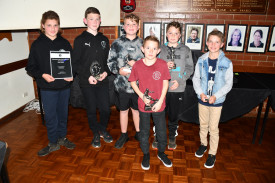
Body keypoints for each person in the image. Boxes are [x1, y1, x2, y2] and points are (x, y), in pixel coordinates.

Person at [26, 10, 75, 156]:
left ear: (59, 26)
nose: (53, 29)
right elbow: (30, 67)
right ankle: (53, 142)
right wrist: (42, 75)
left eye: (55, 25)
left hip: (64, 87)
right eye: (49, 25)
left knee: (63, 114)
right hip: (47, 88)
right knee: (51, 116)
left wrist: (72, 74)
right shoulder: (37, 45)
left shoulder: (64, 43)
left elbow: (72, 64)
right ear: (43, 26)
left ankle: (62, 138)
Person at [129, 36, 172, 170]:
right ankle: (146, 154)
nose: (151, 51)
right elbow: (132, 82)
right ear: (142, 49)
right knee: (144, 132)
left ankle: (161, 152)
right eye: (148, 48)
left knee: (161, 131)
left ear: (158, 51)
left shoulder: (162, 64)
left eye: (154, 48)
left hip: (159, 105)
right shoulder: (137, 65)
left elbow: (165, 83)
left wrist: (160, 101)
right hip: (143, 106)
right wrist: (141, 95)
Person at [72, 7, 112, 148]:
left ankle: (102, 129)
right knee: (91, 109)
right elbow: (75, 63)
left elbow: (108, 61)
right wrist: (87, 76)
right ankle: (95, 133)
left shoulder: (104, 40)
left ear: (100, 20)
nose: (94, 22)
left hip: (102, 81)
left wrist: (106, 72)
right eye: (91, 19)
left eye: (97, 19)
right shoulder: (79, 40)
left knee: (105, 109)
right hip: (87, 81)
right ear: (85, 21)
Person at [192, 30, 233, 168]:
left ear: (221, 44)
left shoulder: (227, 63)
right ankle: (203, 144)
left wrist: (216, 96)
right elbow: (196, 78)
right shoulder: (201, 60)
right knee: (203, 125)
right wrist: (200, 93)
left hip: (217, 101)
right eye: (211, 41)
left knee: (213, 128)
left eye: (217, 42)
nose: (213, 44)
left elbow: (229, 84)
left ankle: (212, 153)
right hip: (202, 98)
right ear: (207, 43)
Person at [154, 21, 193, 150]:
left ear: (180, 35)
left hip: (178, 88)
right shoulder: (160, 48)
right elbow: (153, 65)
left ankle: (171, 136)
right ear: (166, 34)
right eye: (170, 33)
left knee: (173, 114)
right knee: (159, 113)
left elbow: (189, 68)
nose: (173, 35)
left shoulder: (186, 50)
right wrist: (164, 66)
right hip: (161, 89)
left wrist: (180, 81)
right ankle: (158, 136)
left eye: (176, 33)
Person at [107, 13, 143, 149]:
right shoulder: (117, 43)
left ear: (138, 26)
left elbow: (148, 64)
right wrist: (118, 70)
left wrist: (137, 65)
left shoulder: (143, 44)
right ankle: (124, 134)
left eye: (134, 24)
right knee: (123, 110)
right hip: (122, 85)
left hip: (137, 87)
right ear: (123, 26)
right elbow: (110, 62)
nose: (131, 26)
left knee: (136, 110)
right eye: (128, 24)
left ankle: (139, 133)